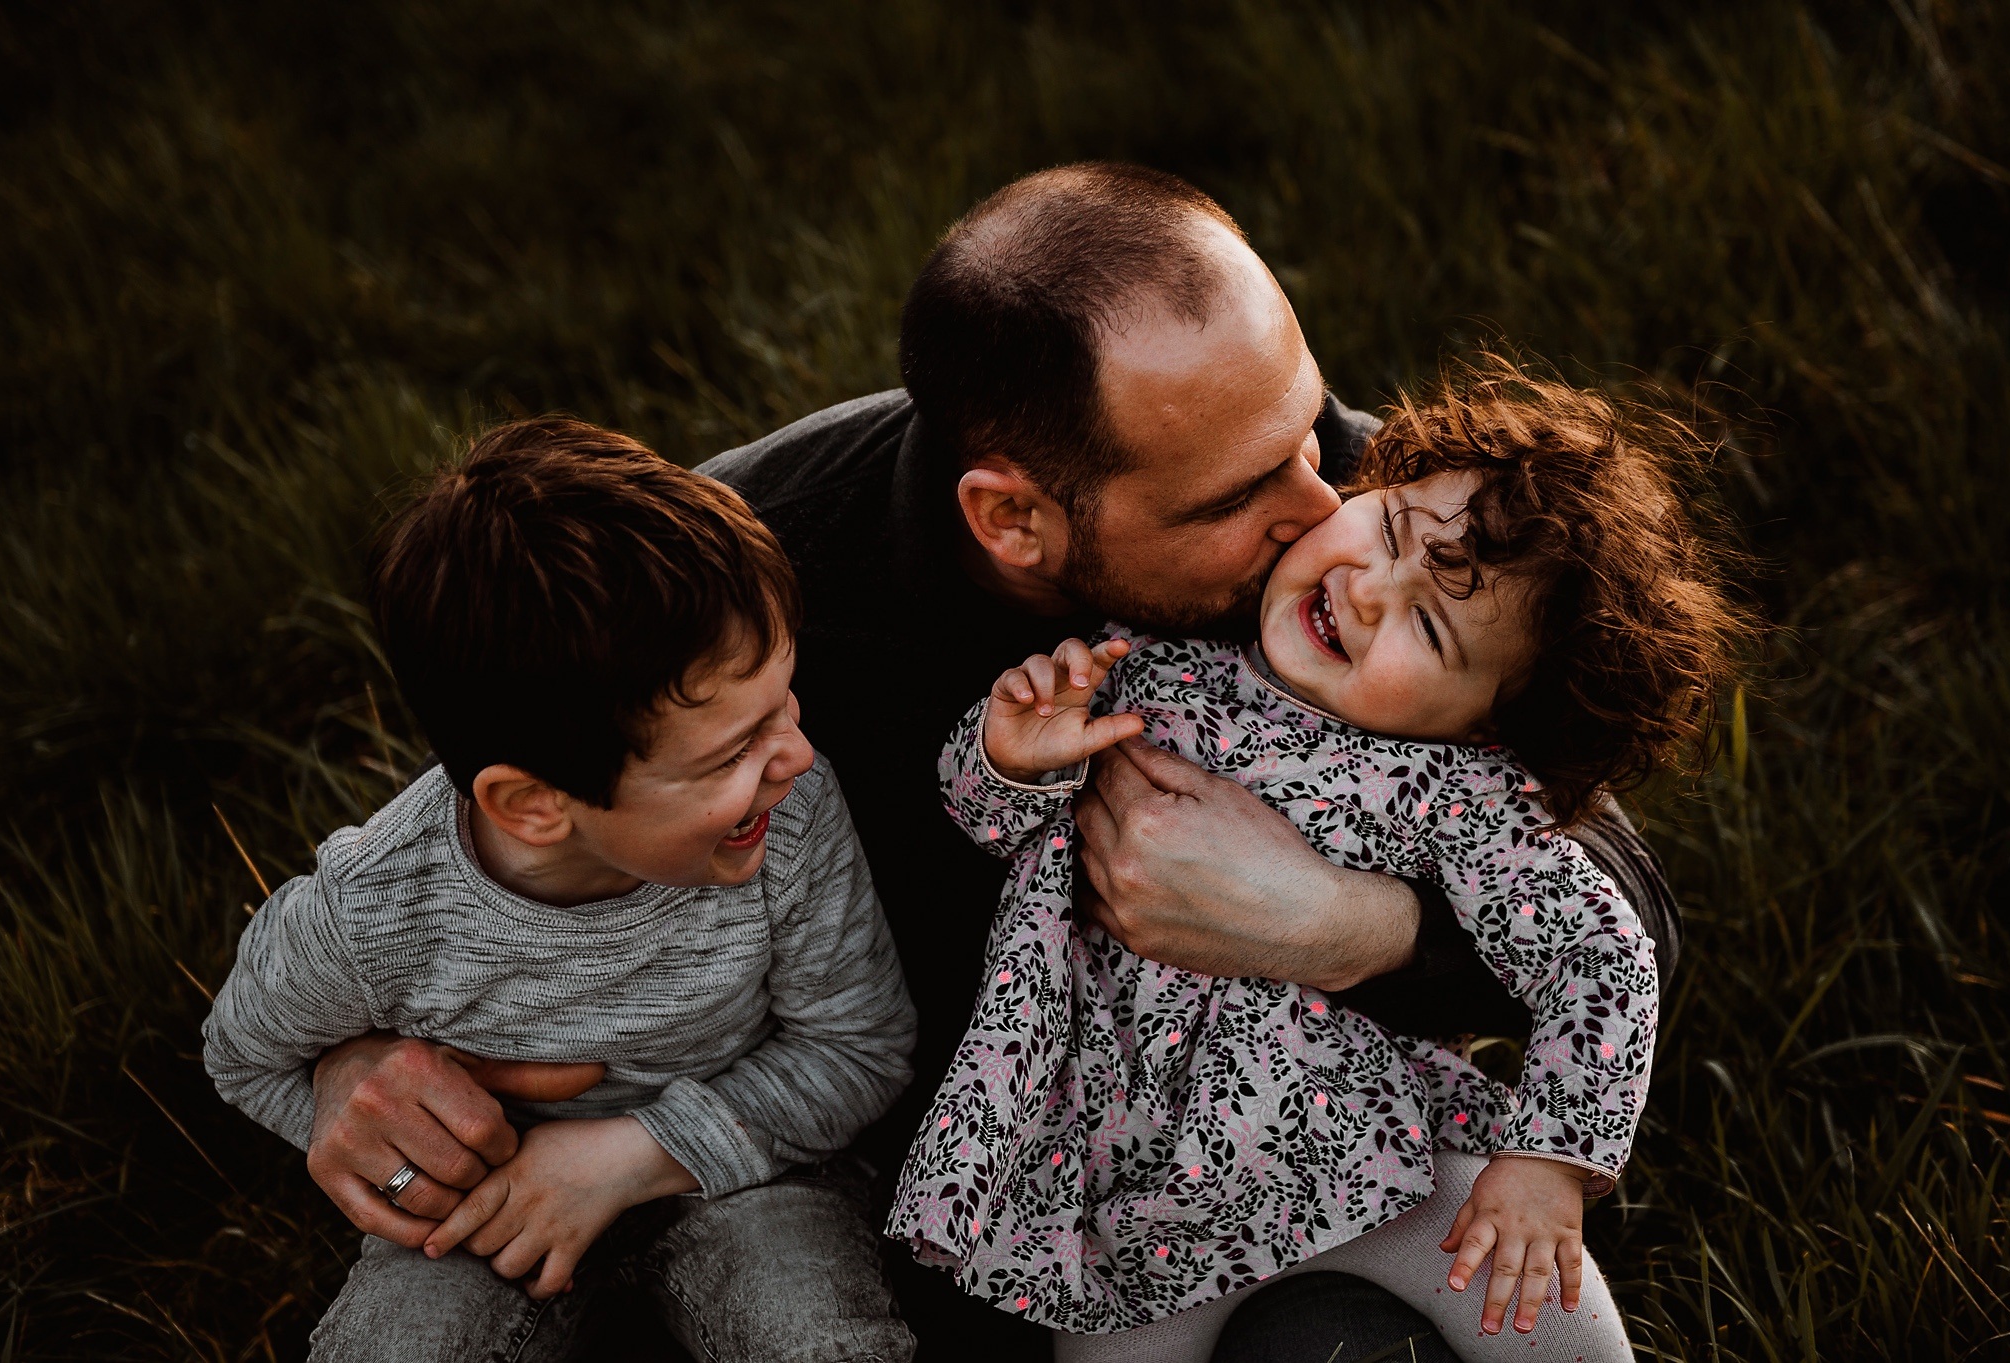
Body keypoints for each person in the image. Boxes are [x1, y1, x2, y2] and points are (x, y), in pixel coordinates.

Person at [297, 163, 1682, 1361]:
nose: (1324, 500)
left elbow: (1621, 904)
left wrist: (1346, 927)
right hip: (889, 1178)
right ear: (1013, 519)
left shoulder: (1380, 536)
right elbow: (488, 807)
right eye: (1239, 494)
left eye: (1315, 431)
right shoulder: (753, 579)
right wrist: (349, 1055)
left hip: (1282, 1157)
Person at [894, 358, 1749, 1361]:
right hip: (1125, 1183)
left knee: (1541, 1313)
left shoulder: (1454, 790)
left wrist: (1549, 1162)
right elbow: (988, 828)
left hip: (1361, 1153)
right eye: (1387, 532)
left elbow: (1598, 954)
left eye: (1428, 627)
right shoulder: (1145, 664)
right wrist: (1011, 755)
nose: (1368, 592)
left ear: (1488, 724)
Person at [201, 419, 918, 1362]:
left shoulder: (788, 814)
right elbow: (244, 1051)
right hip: (482, 1211)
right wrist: (374, 1133)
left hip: (752, 1179)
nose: (793, 752)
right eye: (732, 751)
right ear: (535, 804)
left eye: (783, 702)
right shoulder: (373, 909)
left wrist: (630, 1155)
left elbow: (861, 1043)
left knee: (819, 1341)